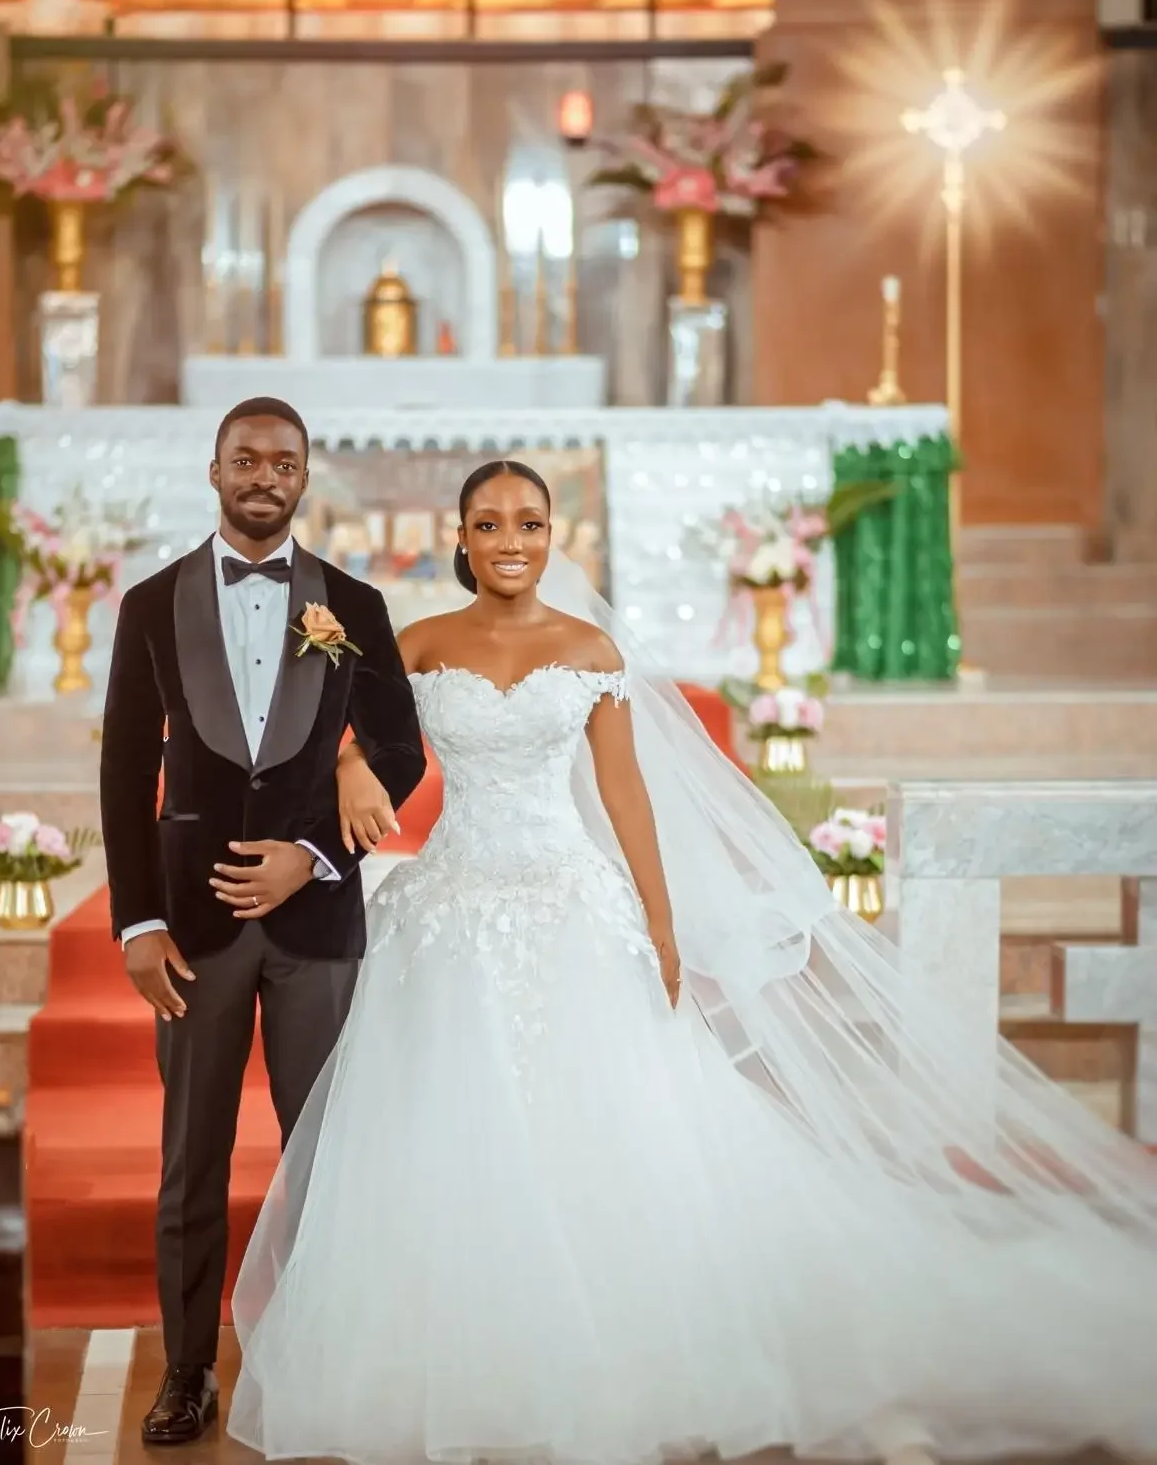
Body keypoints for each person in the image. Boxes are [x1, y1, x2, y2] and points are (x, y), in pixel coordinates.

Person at [227, 458, 1157, 1463]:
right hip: (447, 915)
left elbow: (625, 794)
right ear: (460, 538)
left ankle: (619, 1333)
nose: (511, 540)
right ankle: (455, 1341)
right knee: (447, 1125)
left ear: (555, 538)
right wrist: (357, 762)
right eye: (490, 523)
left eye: (531, 524)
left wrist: (660, 924)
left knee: (606, 1125)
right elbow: (334, 730)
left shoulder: (590, 651)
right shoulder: (416, 643)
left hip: (571, 904)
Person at [98, 397, 426, 1445]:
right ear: (214, 470)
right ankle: (187, 1371)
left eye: (283, 462)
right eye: (246, 459)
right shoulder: (150, 604)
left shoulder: (355, 606)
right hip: (190, 928)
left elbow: (403, 752)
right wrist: (138, 923)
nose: (264, 476)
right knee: (190, 1157)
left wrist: (314, 853)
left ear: (303, 478)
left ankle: (319, 1366)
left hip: (318, 920)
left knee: (324, 1156)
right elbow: (122, 772)